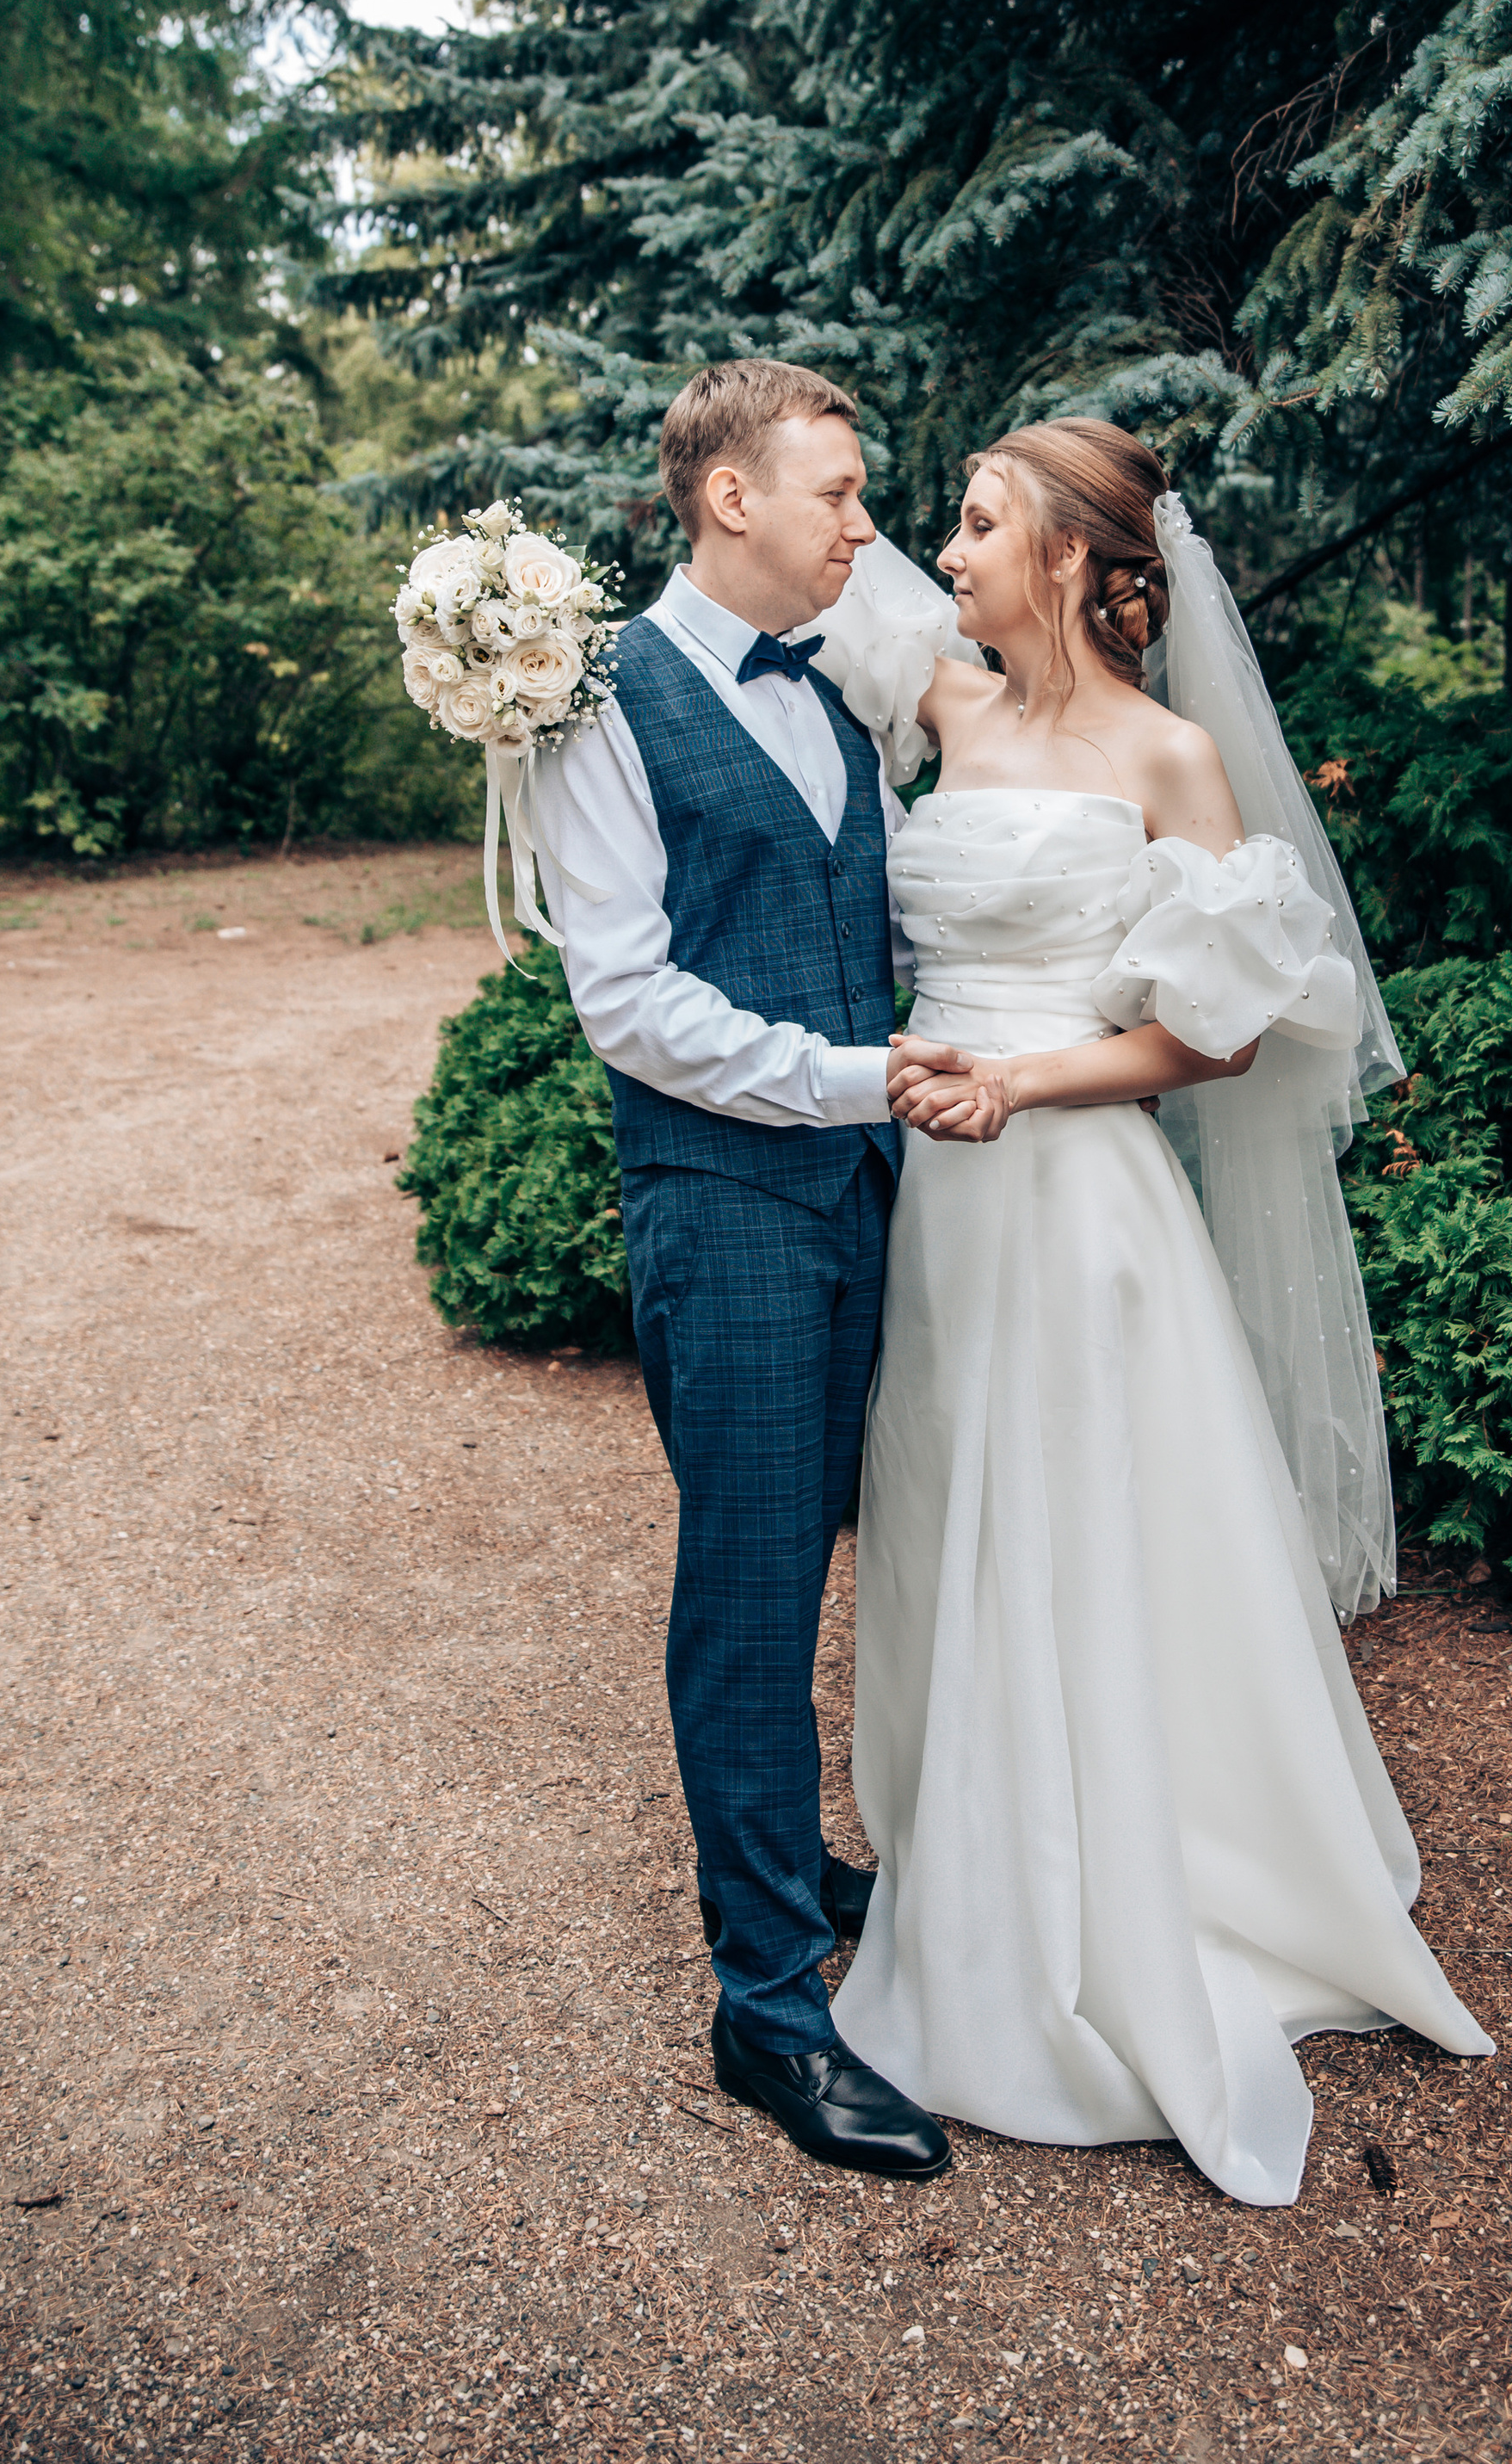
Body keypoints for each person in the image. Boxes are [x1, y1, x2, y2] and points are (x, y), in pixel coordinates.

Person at [807, 416, 1493, 2208]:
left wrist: (1016, 1087)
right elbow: (774, 587)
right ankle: (960, 1850)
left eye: (972, 524)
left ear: (1065, 553)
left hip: (1073, 1203)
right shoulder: (938, 707)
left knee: (1084, 1534)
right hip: (935, 1217)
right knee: (951, 1512)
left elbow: (1223, 1034)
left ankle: (1125, 1876)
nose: (940, 552)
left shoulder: (1174, 759)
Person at [530, 357, 969, 2180]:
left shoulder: (836, 682)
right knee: (747, 1586)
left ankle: (787, 1863)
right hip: (724, 1203)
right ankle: (768, 2010)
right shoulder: (595, 705)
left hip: (868, 1201)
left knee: (832, 1541)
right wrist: (852, 1080)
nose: (865, 527)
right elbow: (625, 1003)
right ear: (730, 500)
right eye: (838, 494)